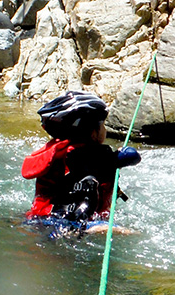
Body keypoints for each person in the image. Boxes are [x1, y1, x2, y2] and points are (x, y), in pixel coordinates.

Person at [21, 90, 141, 227]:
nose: (105, 130)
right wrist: (120, 154)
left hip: (40, 217)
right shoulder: (94, 156)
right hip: (69, 223)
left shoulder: (59, 150)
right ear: (90, 131)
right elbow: (133, 156)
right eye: (102, 125)